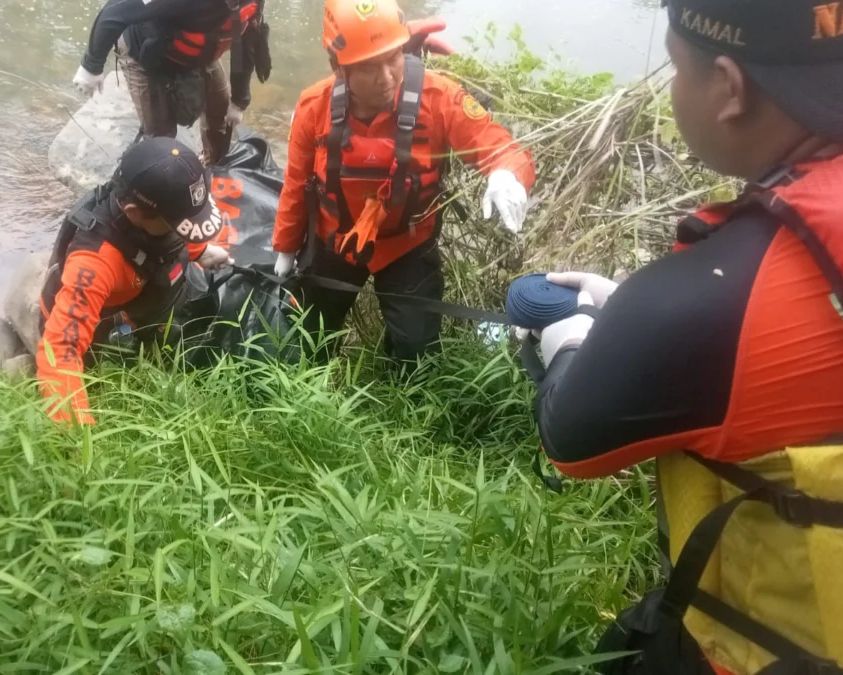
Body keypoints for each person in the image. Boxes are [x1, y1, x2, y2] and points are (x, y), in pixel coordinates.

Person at [522, 1, 843, 673]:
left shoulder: (706, 305)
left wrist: (572, 339)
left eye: (677, 68)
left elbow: (569, 438)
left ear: (729, 87)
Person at [270, 0, 535, 366]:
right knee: (307, 337)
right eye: (368, 67)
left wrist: (505, 173)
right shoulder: (314, 106)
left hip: (407, 244)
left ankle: (399, 382)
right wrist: (285, 247)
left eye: (393, 57)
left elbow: (499, 146)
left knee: (417, 351)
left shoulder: (438, 97)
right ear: (338, 67)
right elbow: (296, 182)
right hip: (335, 240)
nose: (388, 77)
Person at [38, 137, 234, 424]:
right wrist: (79, 443)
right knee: (88, 375)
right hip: (93, 322)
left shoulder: (150, 213)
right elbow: (61, 351)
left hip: (138, 294)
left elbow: (169, 236)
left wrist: (201, 250)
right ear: (135, 213)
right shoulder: (94, 264)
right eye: (179, 225)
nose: (184, 232)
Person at [72, 0, 270, 166]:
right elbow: (114, 12)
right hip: (144, 52)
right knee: (161, 138)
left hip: (201, 50)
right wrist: (91, 66)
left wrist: (239, 99)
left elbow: (246, 42)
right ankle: (161, 186)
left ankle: (214, 166)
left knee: (221, 112)